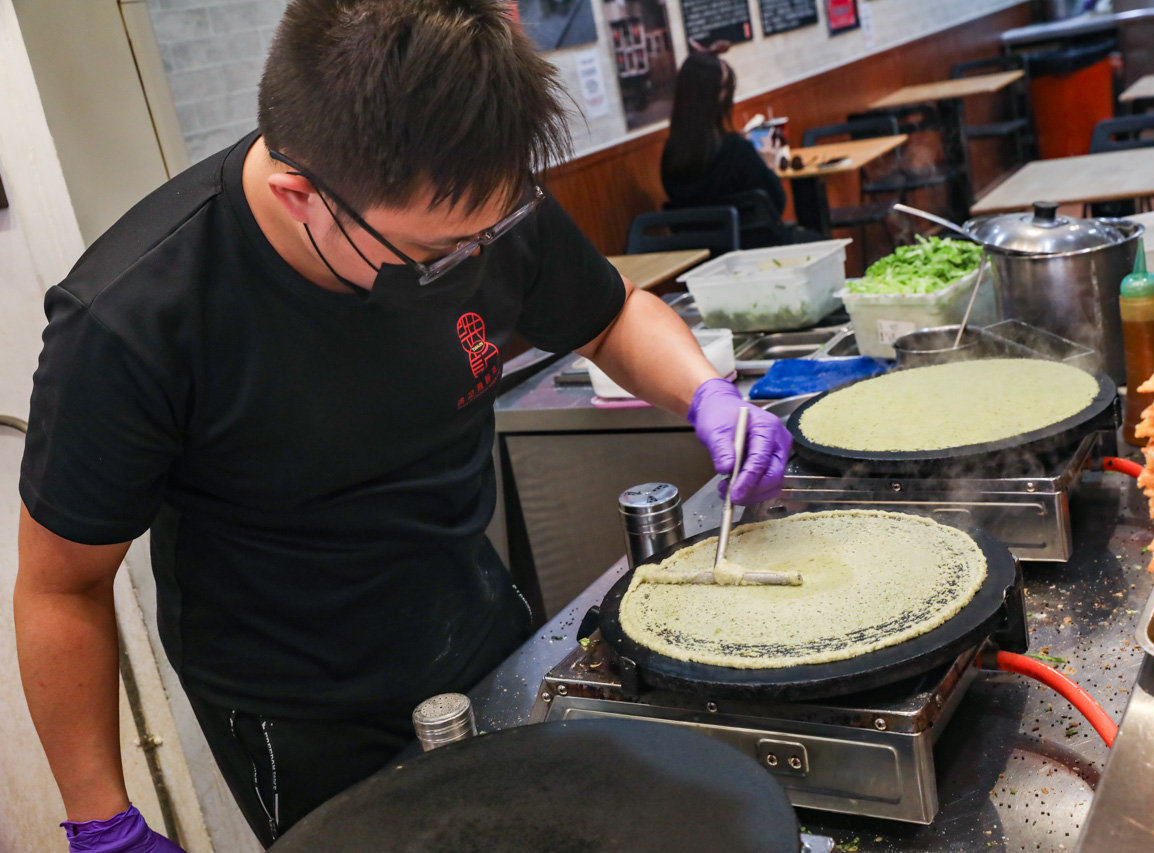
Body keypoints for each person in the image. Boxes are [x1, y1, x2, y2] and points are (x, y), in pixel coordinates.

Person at [12, 0, 792, 849]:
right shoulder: (130, 318)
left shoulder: (471, 209)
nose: (476, 260)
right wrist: (102, 816)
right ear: (299, 195)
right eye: (435, 254)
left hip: (481, 628)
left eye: (491, 231)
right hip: (302, 712)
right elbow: (62, 587)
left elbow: (608, 316)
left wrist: (709, 394)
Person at [660, 53, 820, 249]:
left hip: (701, 258)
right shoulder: (736, 150)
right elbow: (777, 204)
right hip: (756, 251)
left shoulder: (670, 156)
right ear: (721, 97)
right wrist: (768, 165)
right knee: (820, 242)